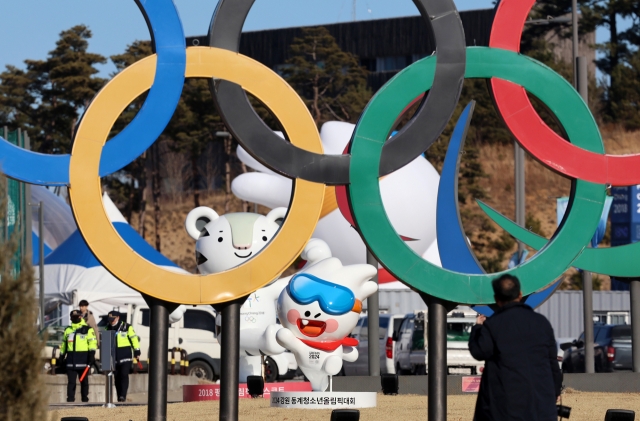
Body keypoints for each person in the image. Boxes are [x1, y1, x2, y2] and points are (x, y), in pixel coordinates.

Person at [468, 274, 562, 421]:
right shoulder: (542, 323)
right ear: (520, 294)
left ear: (497, 299)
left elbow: (479, 351)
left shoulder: (493, 325)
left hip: (504, 408)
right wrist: (555, 391)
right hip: (541, 406)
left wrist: (477, 328)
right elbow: (552, 363)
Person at [60, 309, 97, 402]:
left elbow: (92, 343)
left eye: (77, 317)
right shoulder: (68, 330)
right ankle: (70, 400)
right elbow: (64, 344)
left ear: (81, 317)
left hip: (83, 360)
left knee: (84, 382)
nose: (75, 318)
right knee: (71, 382)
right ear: (71, 318)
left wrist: (92, 354)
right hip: (71, 360)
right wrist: (61, 356)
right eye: (73, 317)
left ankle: (85, 399)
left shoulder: (88, 329)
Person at [104, 310, 141, 402]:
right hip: (114, 356)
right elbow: (105, 344)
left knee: (124, 375)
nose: (111, 321)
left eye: (113, 319)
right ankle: (119, 395)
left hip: (125, 355)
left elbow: (134, 339)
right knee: (116, 377)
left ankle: (123, 395)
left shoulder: (126, 327)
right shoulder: (107, 328)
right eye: (110, 319)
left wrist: (137, 351)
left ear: (118, 318)